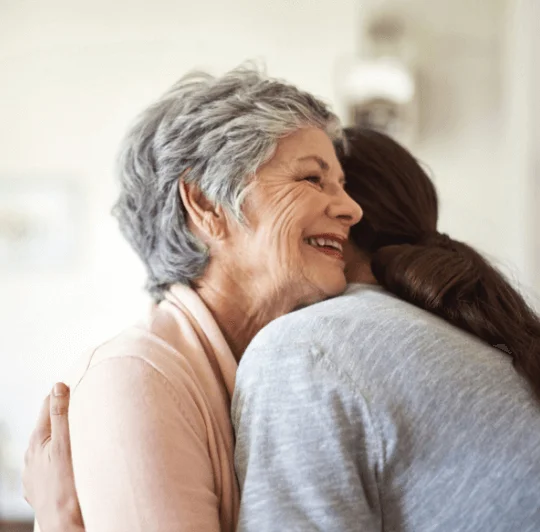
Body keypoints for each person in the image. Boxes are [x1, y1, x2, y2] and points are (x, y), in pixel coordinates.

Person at [24, 128, 540, 531]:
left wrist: (63, 524)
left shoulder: (308, 351)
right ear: (208, 207)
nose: (341, 203)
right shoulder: (443, 327)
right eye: (311, 179)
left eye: (332, 180)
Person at [22, 67, 362, 532]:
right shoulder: (137, 378)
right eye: (310, 179)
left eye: (342, 185)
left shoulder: (276, 368)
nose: (351, 209)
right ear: (205, 205)